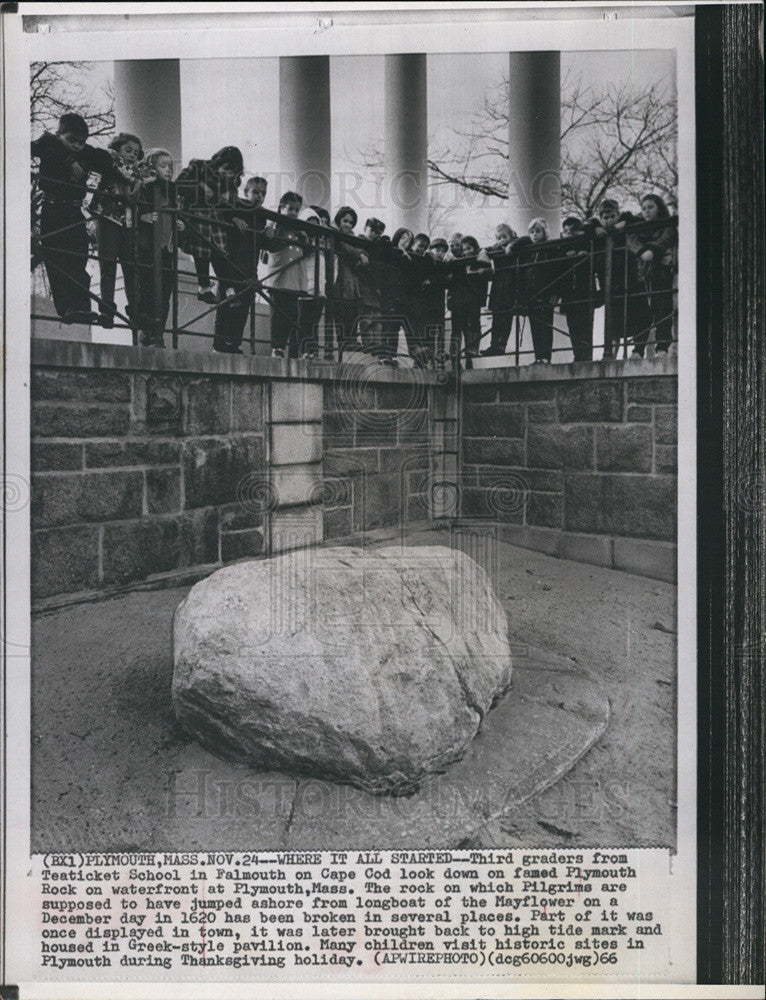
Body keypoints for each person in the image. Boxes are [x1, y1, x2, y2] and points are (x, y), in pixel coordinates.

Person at [31, 112, 117, 324]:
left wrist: (80, 159)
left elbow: (106, 162)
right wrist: (68, 159)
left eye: (81, 142)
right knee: (57, 259)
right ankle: (68, 308)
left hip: (75, 212)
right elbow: (32, 147)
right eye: (72, 140)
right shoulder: (49, 146)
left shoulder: (85, 153)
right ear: (59, 134)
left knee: (79, 259)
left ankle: (81, 308)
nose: (77, 146)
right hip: (52, 210)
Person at [175, 146, 244, 304]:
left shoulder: (232, 182)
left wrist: (228, 202)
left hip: (215, 220)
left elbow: (232, 205)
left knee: (219, 251)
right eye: (226, 168)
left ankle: (228, 289)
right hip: (196, 216)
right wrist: (201, 188)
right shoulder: (199, 166)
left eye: (233, 172)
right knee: (202, 247)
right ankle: (204, 287)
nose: (228, 174)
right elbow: (179, 184)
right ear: (218, 162)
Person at [212, 175, 272, 354]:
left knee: (243, 306)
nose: (259, 196)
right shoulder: (236, 205)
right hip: (230, 264)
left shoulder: (261, 216)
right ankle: (219, 344)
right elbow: (219, 212)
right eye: (255, 192)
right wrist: (233, 220)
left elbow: (265, 245)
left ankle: (234, 343)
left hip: (249, 268)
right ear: (246, 192)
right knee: (227, 302)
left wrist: (269, 233)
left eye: (263, 193)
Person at [90, 132, 143, 328]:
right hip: (108, 218)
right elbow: (123, 173)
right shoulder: (112, 161)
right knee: (108, 265)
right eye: (128, 150)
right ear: (118, 148)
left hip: (127, 222)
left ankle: (135, 311)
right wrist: (138, 176)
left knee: (131, 267)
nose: (132, 155)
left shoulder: (137, 172)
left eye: (136, 153)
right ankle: (107, 310)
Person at [134, 149, 178, 348]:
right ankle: (147, 334)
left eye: (170, 166)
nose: (168, 170)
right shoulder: (145, 187)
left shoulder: (173, 190)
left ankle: (158, 334)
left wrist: (181, 225)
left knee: (165, 294)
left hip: (167, 249)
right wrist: (140, 217)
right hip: (148, 248)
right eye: (163, 165)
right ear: (152, 167)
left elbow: (178, 214)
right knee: (148, 292)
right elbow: (132, 206)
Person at [626, 194, 677, 356]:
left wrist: (652, 250)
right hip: (642, 274)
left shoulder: (667, 224)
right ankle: (638, 348)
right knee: (640, 313)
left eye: (651, 207)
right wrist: (642, 250)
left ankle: (662, 347)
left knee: (662, 309)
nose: (646, 211)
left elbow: (667, 238)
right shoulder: (639, 226)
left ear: (659, 207)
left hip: (661, 273)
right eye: (644, 208)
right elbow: (631, 239)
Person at [590, 197, 640, 359]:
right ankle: (611, 353)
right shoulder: (600, 231)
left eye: (613, 216)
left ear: (618, 215)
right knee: (612, 319)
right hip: (608, 280)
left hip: (628, 277)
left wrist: (625, 221)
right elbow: (587, 225)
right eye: (605, 218)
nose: (609, 220)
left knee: (634, 314)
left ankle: (636, 351)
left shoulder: (626, 223)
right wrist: (596, 226)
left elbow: (634, 217)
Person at [262, 191, 305, 359]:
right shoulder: (276, 225)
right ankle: (277, 346)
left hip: (294, 277)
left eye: (296, 209)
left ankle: (284, 346)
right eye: (291, 209)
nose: (294, 213)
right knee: (278, 313)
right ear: (281, 208)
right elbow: (269, 245)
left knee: (292, 313)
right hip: (280, 276)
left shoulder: (299, 229)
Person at [515, 218, 558, 364]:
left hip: (545, 293)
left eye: (538, 231)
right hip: (531, 295)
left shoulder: (550, 249)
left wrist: (555, 293)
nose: (535, 235)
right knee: (535, 328)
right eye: (532, 232)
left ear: (545, 232)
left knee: (546, 326)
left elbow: (555, 272)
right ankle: (538, 357)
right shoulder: (528, 252)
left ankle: (546, 357)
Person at [558, 215, 599, 362]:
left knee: (586, 325)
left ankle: (587, 356)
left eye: (572, 229)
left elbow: (591, 226)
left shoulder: (587, 243)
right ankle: (578, 355)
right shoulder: (562, 247)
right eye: (566, 230)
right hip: (569, 294)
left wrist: (584, 255)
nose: (569, 233)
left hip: (585, 292)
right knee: (573, 326)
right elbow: (559, 271)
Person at [447, 235, 491, 368]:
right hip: (458, 302)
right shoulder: (453, 261)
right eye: (453, 246)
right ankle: (455, 360)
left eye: (457, 245)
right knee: (457, 331)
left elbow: (489, 272)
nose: (464, 251)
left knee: (471, 329)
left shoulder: (477, 259)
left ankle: (470, 357)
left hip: (472, 301)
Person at [479, 223, 519, 356]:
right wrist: (484, 252)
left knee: (507, 316)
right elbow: (486, 249)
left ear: (511, 235)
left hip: (511, 284)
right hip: (498, 285)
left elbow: (523, 240)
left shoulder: (516, 244)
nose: (502, 240)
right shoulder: (496, 247)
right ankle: (493, 345)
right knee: (496, 316)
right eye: (499, 237)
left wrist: (512, 245)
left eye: (504, 236)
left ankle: (502, 345)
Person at [332, 206, 367, 357]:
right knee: (341, 312)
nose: (347, 225)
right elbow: (346, 248)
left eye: (351, 222)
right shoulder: (336, 235)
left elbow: (363, 250)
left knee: (352, 311)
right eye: (345, 221)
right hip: (338, 281)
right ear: (338, 220)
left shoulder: (352, 237)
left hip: (352, 282)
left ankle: (350, 341)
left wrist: (361, 254)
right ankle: (343, 343)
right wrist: (360, 254)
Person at [356, 217, 386, 360]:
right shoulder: (360, 242)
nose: (374, 234)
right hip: (364, 286)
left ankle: (376, 348)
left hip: (376, 288)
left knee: (377, 320)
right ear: (365, 228)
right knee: (367, 318)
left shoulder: (378, 247)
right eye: (372, 230)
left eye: (378, 232)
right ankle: (368, 348)